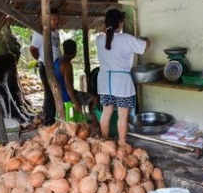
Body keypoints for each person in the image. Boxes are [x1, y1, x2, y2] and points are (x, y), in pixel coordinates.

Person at [95, 9, 150, 146]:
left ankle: (104, 140)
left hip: (105, 82)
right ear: (120, 23)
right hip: (121, 83)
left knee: (106, 113)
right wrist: (146, 39)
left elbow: (107, 34)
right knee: (122, 115)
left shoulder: (99, 39)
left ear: (106, 22)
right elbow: (145, 47)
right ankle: (122, 142)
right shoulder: (126, 38)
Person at [54, 39, 98, 127]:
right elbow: (68, 86)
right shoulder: (67, 65)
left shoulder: (57, 61)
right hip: (67, 96)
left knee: (85, 95)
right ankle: (94, 125)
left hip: (59, 94)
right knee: (95, 99)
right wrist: (76, 102)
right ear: (75, 51)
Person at [29, 8, 61, 126]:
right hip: (47, 66)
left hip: (56, 66)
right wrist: (41, 60)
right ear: (46, 20)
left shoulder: (56, 33)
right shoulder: (40, 32)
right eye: (53, 19)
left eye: (57, 19)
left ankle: (55, 118)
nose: (56, 21)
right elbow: (33, 49)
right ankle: (48, 121)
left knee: (56, 92)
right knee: (49, 93)